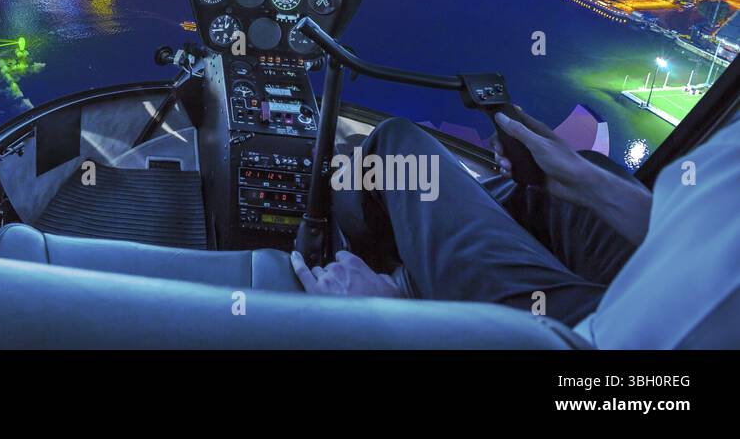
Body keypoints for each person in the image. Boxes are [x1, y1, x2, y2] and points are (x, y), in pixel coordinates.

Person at [290, 110, 740, 348]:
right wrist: (585, 182)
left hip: (592, 338)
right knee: (563, 182)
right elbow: (704, 232)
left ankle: (398, 278)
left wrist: (392, 325)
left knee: (401, 150)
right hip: (664, 277)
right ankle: (433, 270)